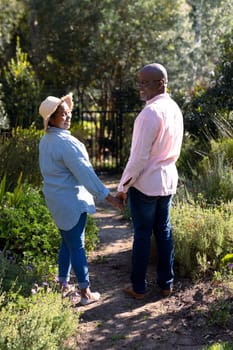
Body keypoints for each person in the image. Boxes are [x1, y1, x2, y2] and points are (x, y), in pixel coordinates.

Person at [38, 93, 123, 306]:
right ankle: (85, 293)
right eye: (62, 114)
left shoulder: (46, 140)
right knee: (77, 246)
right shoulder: (66, 143)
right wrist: (109, 198)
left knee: (67, 244)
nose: (68, 117)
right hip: (71, 201)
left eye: (68, 113)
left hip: (57, 201)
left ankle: (63, 285)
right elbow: (85, 174)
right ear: (52, 119)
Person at [116, 63, 183, 299]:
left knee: (143, 234)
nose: (140, 87)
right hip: (167, 182)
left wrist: (122, 187)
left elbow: (138, 158)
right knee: (164, 232)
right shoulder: (174, 108)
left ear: (161, 83)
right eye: (140, 82)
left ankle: (138, 287)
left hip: (146, 184)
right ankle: (166, 284)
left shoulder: (149, 113)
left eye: (145, 82)